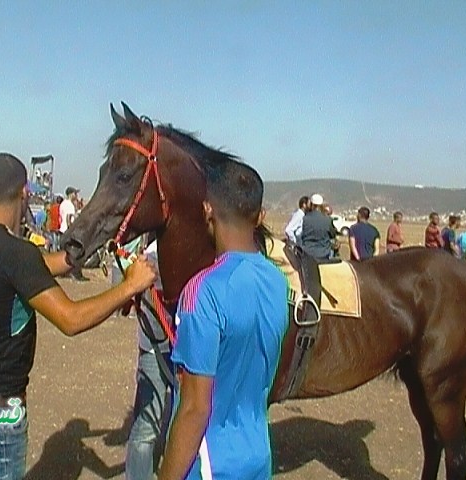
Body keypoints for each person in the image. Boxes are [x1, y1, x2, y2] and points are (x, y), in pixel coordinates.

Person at [0, 153, 156, 479]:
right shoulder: (18, 253)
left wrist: (83, 250)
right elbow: (70, 319)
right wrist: (130, 286)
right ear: (25, 194)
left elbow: (37, 269)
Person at [158, 161, 289, 480]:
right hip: (258, 455)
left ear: (207, 210)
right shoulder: (277, 280)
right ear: (260, 217)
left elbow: (194, 409)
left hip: (210, 465)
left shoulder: (202, 292)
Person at [125, 239, 173, 480]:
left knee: (175, 422)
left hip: (184, 352)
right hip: (156, 348)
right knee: (146, 428)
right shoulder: (150, 258)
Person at [300, 193, 336, 261]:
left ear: (311, 204)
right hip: (324, 253)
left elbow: (303, 235)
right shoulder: (327, 219)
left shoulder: (305, 218)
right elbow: (332, 234)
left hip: (308, 253)